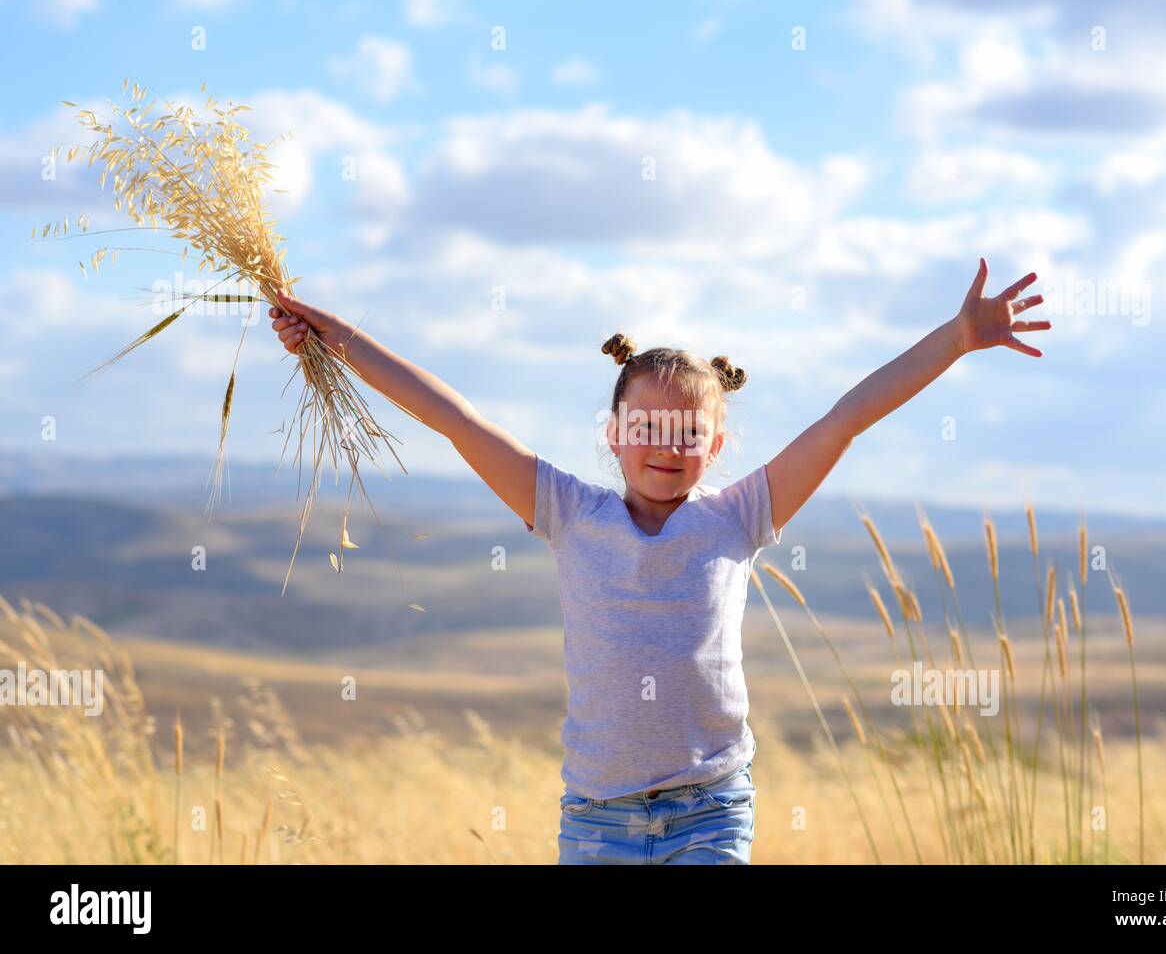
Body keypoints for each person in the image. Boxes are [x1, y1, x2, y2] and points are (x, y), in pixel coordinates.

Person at [267, 257, 1048, 864]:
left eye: (688, 433)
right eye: (647, 427)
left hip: (709, 810)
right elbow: (450, 415)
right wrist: (330, 333)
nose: (666, 448)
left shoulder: (740, 515)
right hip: (596, 819)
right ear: (614, 432)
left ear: (715, 444)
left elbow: (845, 418)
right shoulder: (567, 511)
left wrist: (957, 337)